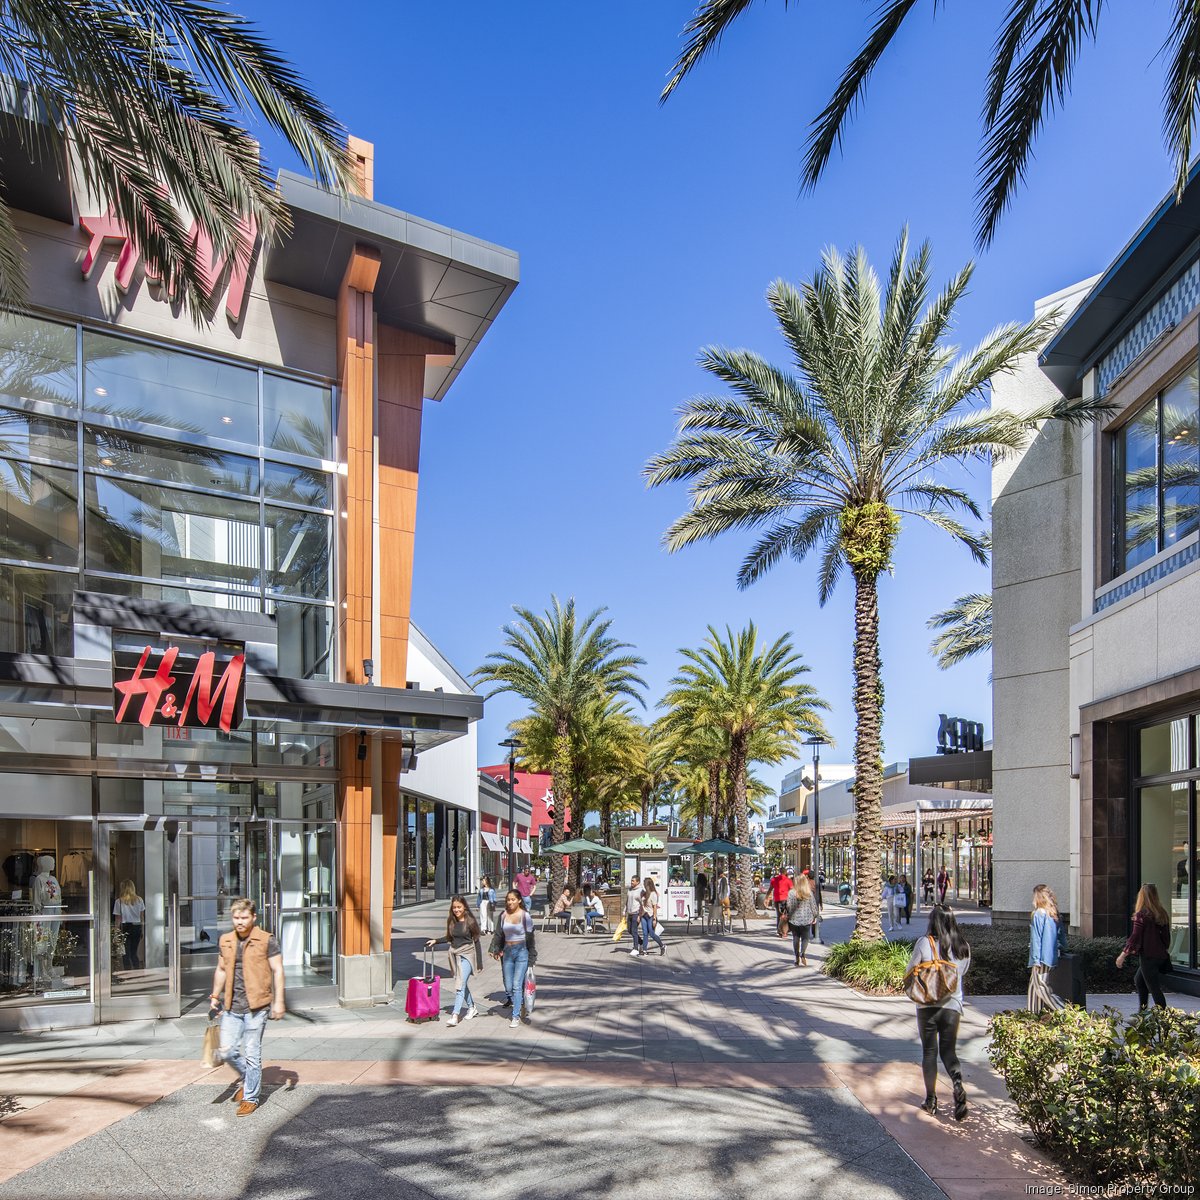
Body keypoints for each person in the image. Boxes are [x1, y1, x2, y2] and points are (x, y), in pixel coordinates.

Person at [209, 897, 285, 1117]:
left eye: (244, 917)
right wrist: (215, 996)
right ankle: (248, 1078)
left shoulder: (266, 940)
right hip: (232, 1005)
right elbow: (221, 969)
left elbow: (278, 970)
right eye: (236, 917)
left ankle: (250, 1097)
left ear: (253, 917)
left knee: (252, 1054)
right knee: (226, 1051)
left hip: (257, 1006)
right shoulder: (226, 940)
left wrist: (278, 1001)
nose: (239, 922)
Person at [906, 904, 971, 1121]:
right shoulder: (963, 947)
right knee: (949, 1051)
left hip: (927, 1006)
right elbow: (962, 973)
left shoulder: (925, 943)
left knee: (929, 1052)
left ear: (932, 921)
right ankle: (957, 1082)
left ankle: (931, 1100)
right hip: (952, 1006)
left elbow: (910, 971)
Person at [426, 895, 483, 1026]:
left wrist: (479, 962)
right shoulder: (452, 921)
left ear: (464, 907)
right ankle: (472, 1007)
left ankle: (455, 1015)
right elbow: (449, 938)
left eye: (459, 907)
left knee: (459, 985)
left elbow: (477, 941)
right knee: (462, 983)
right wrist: (436, 941)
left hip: (468, 955)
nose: (457, 910)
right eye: (454, 907)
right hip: (455, 955)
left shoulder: (470, 921)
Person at [1116, 883, 1172, 1010]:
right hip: (1160, 955)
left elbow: (1135, 936)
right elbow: (1167, 938)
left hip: (1148, 956)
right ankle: (1142, 1012)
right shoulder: (1161, 913)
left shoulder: (1142, 915)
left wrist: (1122, 955)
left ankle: (1163, 1017)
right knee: (1139, 980)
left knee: (1154, 988)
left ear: (1141, 896)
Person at [489, 888, 536, 1027]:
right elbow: (498, 934)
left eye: (513, 899)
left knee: (516, 985)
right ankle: (520, 1002)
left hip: (521, 951)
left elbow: (531, 938)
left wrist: (532, 957)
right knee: (509, 986)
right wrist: (495, 949)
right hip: (507, 952)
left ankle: (515, 1016)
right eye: (508, 900)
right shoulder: (503, 915)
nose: (510, 902)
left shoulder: (525, 916)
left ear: (519, 900)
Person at [1027, 883, 1067, 1014]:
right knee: (1034, 987)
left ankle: (1065, 1011)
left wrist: (1036, 960)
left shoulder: (1038, 914)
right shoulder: (1053, 913)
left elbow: (1036, 939)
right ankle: (1033, 1014)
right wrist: (1061, 949)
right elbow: (1061, 936)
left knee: (1041, 987)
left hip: (1041, 958)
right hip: (1050, 956)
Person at [785, 873, 819, 966]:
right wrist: (815, 916)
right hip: (807, 919)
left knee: (795, 938)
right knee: (805, 938)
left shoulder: (791, 893)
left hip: (794, 919)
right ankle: (803, 953)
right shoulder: (809, 893)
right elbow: (813, 906)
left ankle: (796, 957)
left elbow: (788, 905)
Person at [113, 879, 146, 971]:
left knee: (126, 953)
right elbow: (142, 916)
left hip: (125, 927)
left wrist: (116, 931)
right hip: (137, 926)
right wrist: (142, 930)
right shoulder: (139, 900)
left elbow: (118, 918)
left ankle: (128, 972)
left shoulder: (119, 902)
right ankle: (137, 970)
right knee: (134, 952)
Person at [640, 878, 666, 956]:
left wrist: (654, 919)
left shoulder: (653, 894)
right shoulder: (644, 893)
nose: (644, 885)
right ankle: (644, 950)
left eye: (645, 884)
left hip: (650, 916)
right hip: (643, 915)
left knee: (651, 933)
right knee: (644, 933)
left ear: (648, 885)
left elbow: (654, 907)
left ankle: (662, 946)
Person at [625, 876, 645, 956]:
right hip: (629, 913)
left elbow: (642, 904)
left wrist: (639, 916)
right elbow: (627, 901)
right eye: (631, 880)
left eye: (633, 881)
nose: (631, 882)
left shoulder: (641, 891)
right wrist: (624, 910)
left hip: (636, 913)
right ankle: (641, 942)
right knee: (629, 930)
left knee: (634, 930)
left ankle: (635, 948)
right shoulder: (629, 890)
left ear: (638, 882)